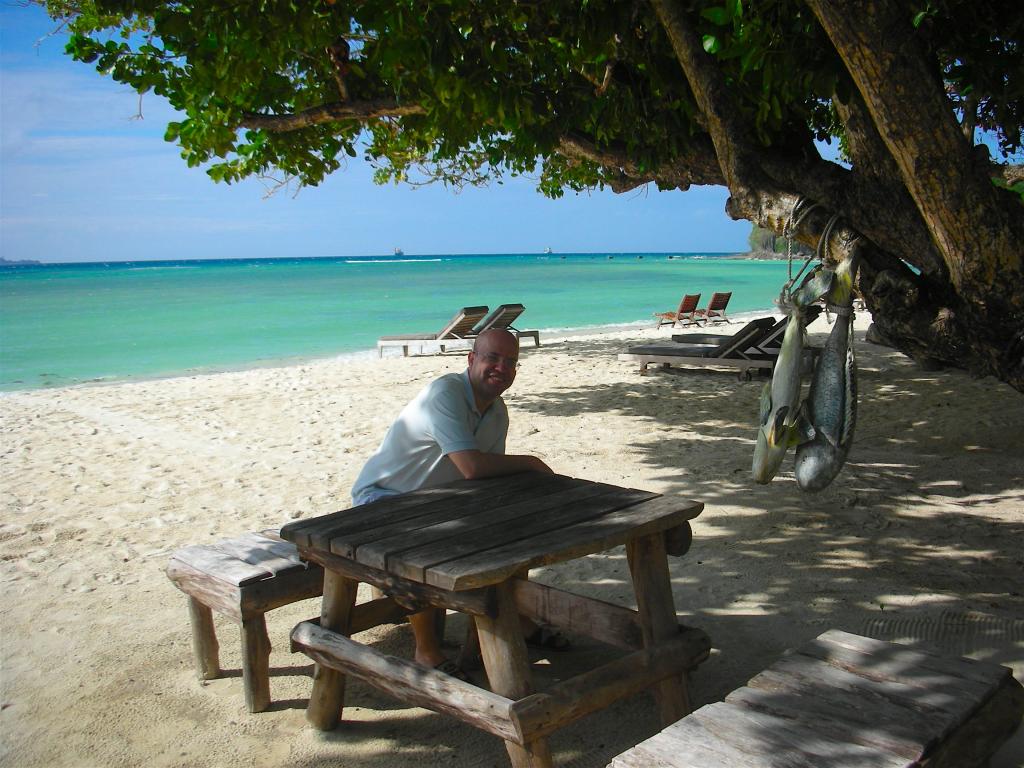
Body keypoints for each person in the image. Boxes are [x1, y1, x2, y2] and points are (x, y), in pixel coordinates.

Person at [351, 328, 553, 676]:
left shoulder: (497, 411)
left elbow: (488, 482)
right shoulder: (446, 393)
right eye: (492, 358)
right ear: (471, 359)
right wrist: (532, 462)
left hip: (437, 502)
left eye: (510, 362)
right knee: (423, 548)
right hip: (383, 497)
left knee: (511, 530)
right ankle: (426, 651)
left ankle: (517, 616)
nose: (500, 368)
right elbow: (473, 467)